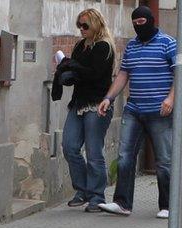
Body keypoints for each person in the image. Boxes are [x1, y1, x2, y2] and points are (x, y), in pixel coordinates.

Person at [97, 6, 176, 219]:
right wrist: (108, 98)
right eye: (135, 23)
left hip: (160, 110)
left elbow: (180, 74)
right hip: (134, 109)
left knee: (164, 160)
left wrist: (171, 98)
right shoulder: (131, 46)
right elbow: (123, 74)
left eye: (142, 22)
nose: (138, 26)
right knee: (124, 157)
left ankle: (168, 205)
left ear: (151, 21)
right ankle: (122, 203)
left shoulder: (168, 43)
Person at [52, 8, 116, 213]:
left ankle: (97, 196)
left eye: (85, 25)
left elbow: (95, 74)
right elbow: (79, 73)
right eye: (79, 25)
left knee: (94, 151)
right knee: (69, 146)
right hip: (79, 103)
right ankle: (82, 190)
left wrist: (74, 68)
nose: (81, 29)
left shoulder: (104, 47)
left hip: (98, 104)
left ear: (96, 24)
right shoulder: (81, 46)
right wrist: (67, 72)